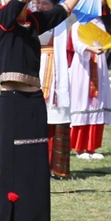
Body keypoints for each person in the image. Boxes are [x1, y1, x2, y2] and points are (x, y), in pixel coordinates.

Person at [0, 0, 86, 221]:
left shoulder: (33, 22)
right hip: (13, 103)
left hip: (34, 104)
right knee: (13, 171)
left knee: (35, 171)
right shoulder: (3, 21)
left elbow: (66, 7)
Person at [67, 20, 111, 160]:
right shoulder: (78, 24)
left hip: (99, 64)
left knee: (97, 103)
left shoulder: (102, 24)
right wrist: (90, 49)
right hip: (83, 65)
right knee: (82, 102)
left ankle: (91, 147)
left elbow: (109, 42)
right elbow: (76, 43)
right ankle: (79, 147)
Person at [40, 10, 76, 180]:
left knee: (57, 117)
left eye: (45, 2)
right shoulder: (30, 17)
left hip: (57, 70)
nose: (40, 5)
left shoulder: (63, 20)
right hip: (37, 65)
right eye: (38, 1)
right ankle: (38, 165)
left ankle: (58, 167)